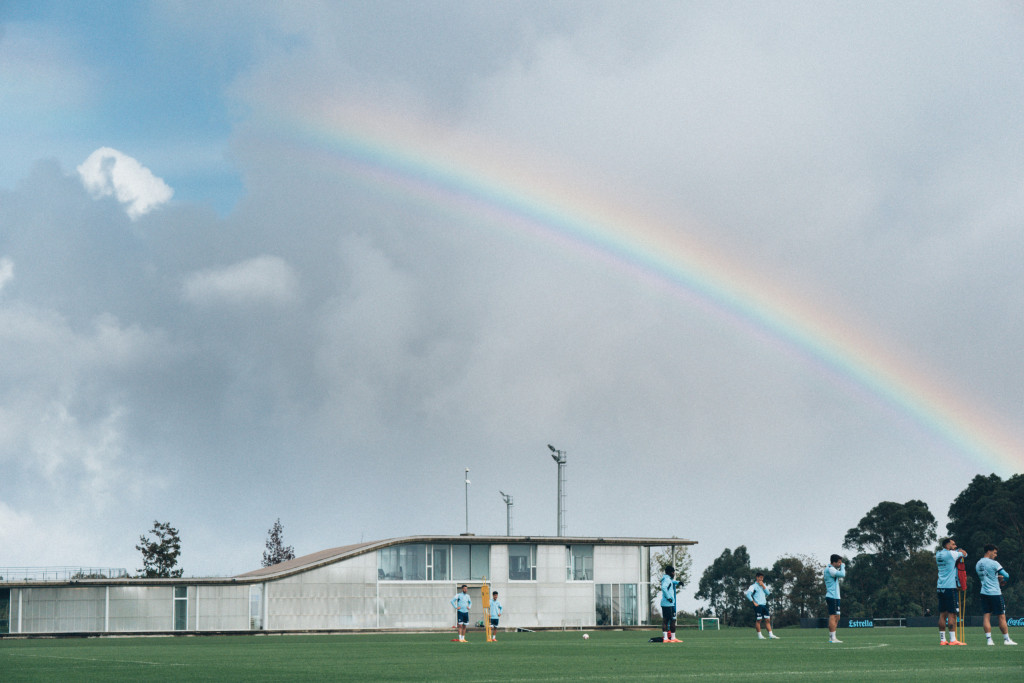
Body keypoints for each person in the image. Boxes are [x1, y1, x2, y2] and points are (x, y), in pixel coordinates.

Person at [976, 544, 1017, 646]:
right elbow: (1006, 575)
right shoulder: (994, 563)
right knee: (1001, 616)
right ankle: (1006, 640)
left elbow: (986, 576)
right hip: (995, 593)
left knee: (986, 616)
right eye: (994, 552)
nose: (996, 555)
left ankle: (989, 640)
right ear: (989, 551)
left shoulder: (978, 563)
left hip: (984, 592)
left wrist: (996, 577)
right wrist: (1003, 580)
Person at [935, 537, 967, 645]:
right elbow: (965, 554)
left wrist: (956, 550)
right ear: (947, 545)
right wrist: (959, 551)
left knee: (942, 614)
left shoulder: (938, 554)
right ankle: (953, 640)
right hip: (950, 587)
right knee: (952, 614)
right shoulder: (951, 554)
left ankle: (943, 640)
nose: (955, 546)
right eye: (953, 544)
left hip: (940, 587)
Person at [744, 572, 779, 639]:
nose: (761, 579)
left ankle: (771, 635)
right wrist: (753, 602)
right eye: (760, 578)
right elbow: (748, 594)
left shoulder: (763, 585)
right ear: (757, 577)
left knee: (767, 620)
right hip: (758, 606)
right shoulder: (753, 586)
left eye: (762, 578)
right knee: (759, 620)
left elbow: (768, 593)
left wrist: (763, 586)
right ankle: (759, 635)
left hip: (764, 605)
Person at [824, 555, 846, 643]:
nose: (840, 564)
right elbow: (842, 574)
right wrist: (843, 567)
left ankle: (833, 637)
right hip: (832, 596)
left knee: (837, 617)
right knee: (833, 616)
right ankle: (832, 638)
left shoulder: (832, 569)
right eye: (839, 562)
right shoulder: (830, 569)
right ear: (834, 562)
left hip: (836, 597)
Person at [660, 564, 681, 643]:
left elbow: (671, 582)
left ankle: (666, 638)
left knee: (666, 620)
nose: (674, 574)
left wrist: (678, 582)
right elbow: (664, 588)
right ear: (670, 572)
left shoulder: (666, 579)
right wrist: (669, 597)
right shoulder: (667, 580)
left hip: (665, 603)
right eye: (673, 572)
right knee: (672, 620)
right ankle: (672, 638)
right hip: (669, 603)